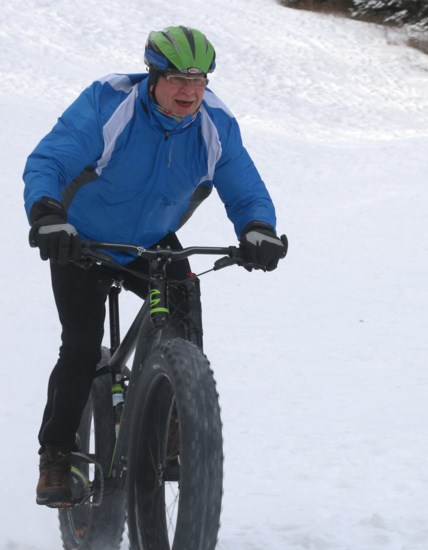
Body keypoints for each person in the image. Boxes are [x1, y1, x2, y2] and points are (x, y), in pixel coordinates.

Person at [23, 26, 287, 507]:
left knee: (183, 302)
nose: (190, 92)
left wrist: (257, 228)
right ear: (152, 76)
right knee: (81, 348)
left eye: (200, 80)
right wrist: (46, 215)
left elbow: (244, 186)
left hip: (150, 242)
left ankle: (170, 412)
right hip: (81, 239)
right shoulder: (109, 103)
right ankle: (57, 455)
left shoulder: (215, 124)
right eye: (178, 80)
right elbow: (50, 161)